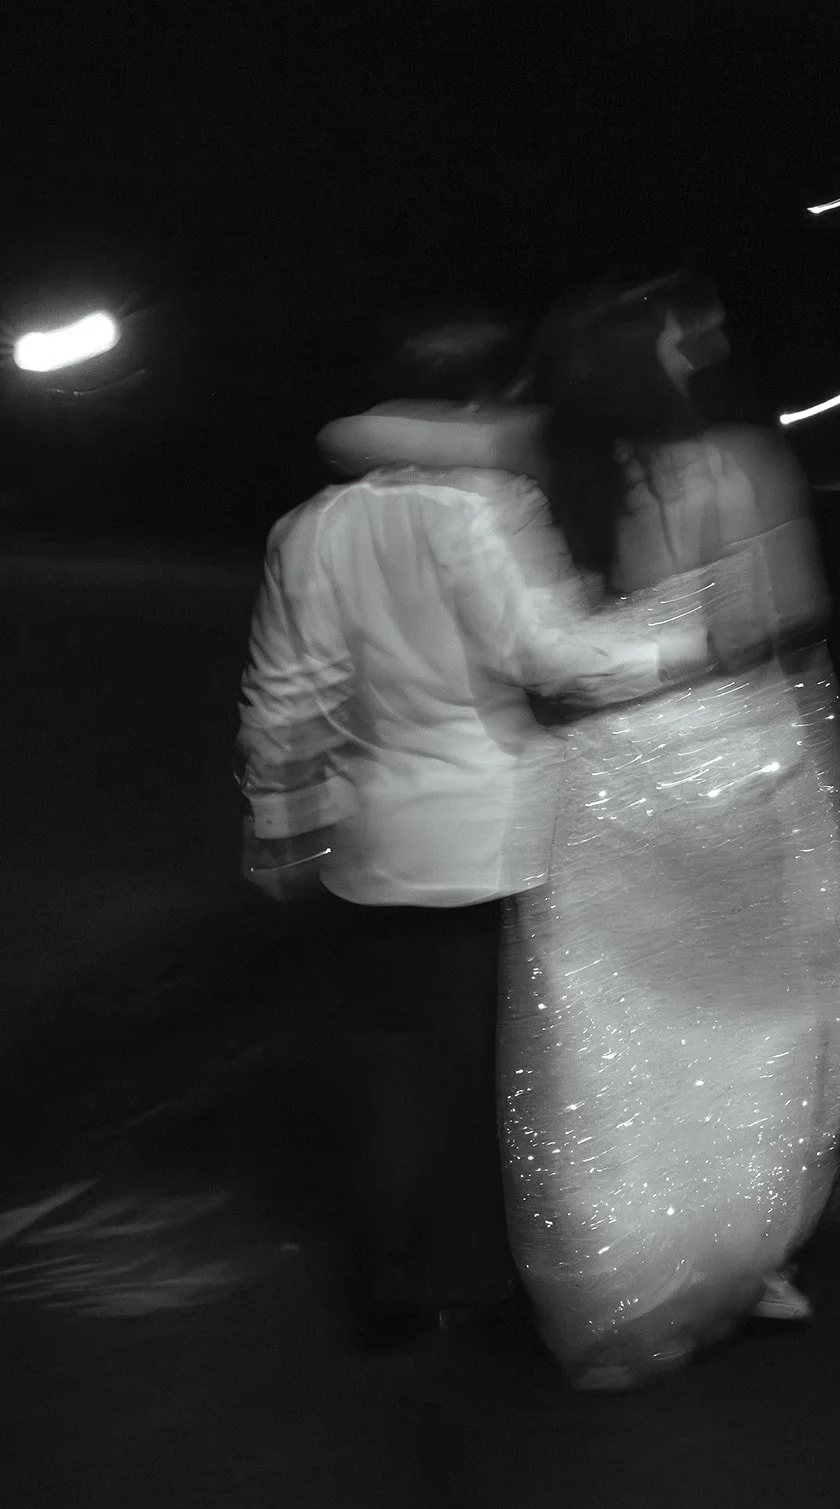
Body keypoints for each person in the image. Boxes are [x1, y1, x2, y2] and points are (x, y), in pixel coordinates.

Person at [329, 273, 840, 1390]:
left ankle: (622, 1268)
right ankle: (736, 1250)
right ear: (651, 360)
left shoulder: (537, 463)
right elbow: (780, 615)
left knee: (611, 1032)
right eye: (692, 337)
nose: (713, 345)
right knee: (764, 1014)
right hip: (730, 756)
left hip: (600, 774)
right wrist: (694, 620)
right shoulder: (737, 462)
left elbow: (360, 435)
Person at [234, 308, 711, 1354]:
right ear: (482, 401)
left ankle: (389, 1277)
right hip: (487, 835)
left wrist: (281, 823)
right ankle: (461, 1275)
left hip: (370, 841)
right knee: (480, 1066)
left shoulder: (313, 525)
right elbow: (553, 655)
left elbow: (287, 696)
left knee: (390, 1061)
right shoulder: (483, 510)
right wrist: (679, 639)